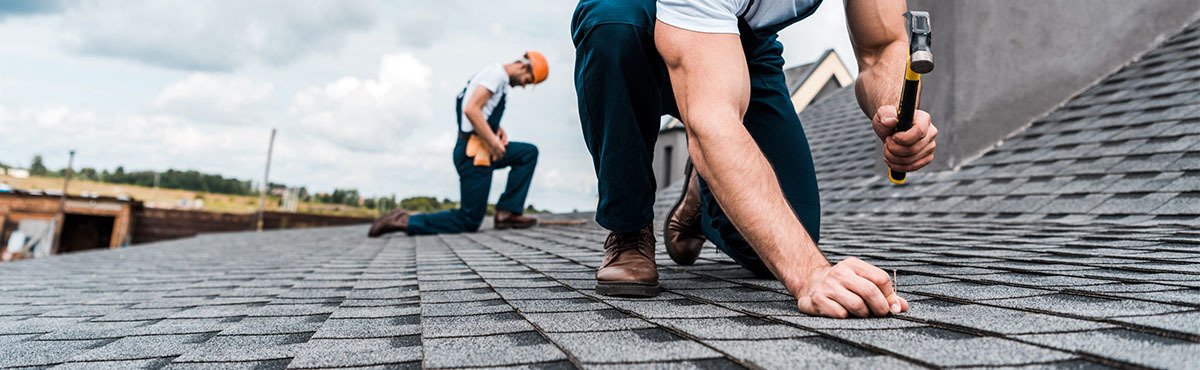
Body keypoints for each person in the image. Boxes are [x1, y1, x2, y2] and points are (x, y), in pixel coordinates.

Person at [572, 0, 937, 318]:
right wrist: (811, 273)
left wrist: (894, 113)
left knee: (784, 237)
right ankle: (629, 228)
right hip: (636, 16)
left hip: (743, 41)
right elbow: (712, 123)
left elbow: (882, 45)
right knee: (611, 23)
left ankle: (704, 192)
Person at [369, 51, 549, 237]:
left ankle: (507, 212)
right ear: (523, 66)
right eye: (528, 80)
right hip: (473, 155)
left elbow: (479, 109)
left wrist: (496, 129)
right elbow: (471, 110)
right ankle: (405, 221)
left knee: (527, 153)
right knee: (469, 219)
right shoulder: (495, 76)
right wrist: (494, 142)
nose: (525, 85)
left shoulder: (496, 78)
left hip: (483, 149)